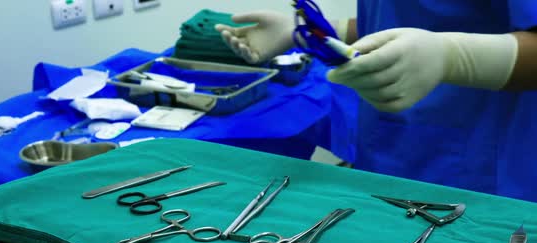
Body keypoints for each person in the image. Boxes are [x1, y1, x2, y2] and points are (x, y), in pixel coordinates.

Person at [215, 1, 537, 203]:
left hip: (478, 175)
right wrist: (311, 33)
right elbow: (409, 16)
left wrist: (452, 57)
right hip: (390, 159)